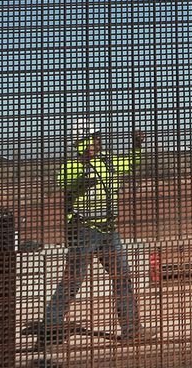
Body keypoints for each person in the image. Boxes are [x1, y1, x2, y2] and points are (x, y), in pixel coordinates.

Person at [30, 124, 146, 344]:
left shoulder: (107, 161)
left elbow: (131, 163)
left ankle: (132, 331)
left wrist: (137, 147)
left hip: (108, 231)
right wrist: (83, 175)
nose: (95, 143)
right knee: (72, 280)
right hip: (83, 231)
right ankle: (50, 328)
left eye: (96, 139)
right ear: (80, 143)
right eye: (90, 139)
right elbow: (63, 181)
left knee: (122, 278)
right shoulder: (72, 166)